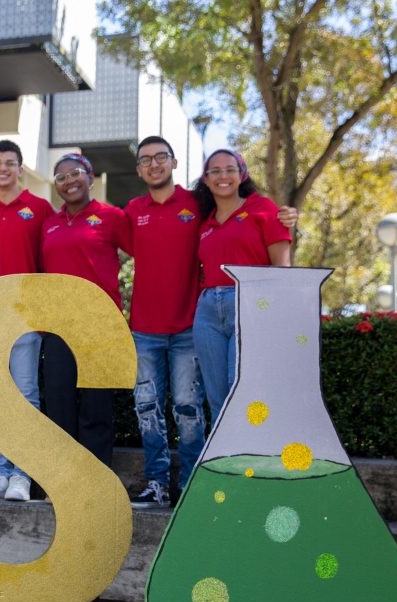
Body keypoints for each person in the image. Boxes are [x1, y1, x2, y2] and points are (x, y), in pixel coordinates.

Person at [124, 137, 297, 508]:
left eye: (161, 158)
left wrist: (286, 219)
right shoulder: (133, 210)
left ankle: (191, 483)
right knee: (147, 408)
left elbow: (263, 234)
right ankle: (156, 483)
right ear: (138, 169)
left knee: (191, 407)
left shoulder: (197, 205)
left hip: (190, 326)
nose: (154, 165)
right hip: (145, 328)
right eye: (145, 160)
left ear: (174, 162)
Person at [0, 140, 54, 502]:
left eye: (9, 163)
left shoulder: (39, 209)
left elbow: (46, 264)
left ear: (21, 169)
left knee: (25, 398)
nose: (2, 169)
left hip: (24, 321)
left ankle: (22, 476)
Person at [41, 153, 132, 472]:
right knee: (59, 406)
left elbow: (146, 252)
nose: (68, 181)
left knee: (96, 408)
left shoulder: (112, 217)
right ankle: (64, 480)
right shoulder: (49, 224)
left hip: (99, 326)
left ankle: (97, 481)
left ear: (91, 177)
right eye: (61, 177)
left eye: (75, 173)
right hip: (57, 328)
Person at [193, 148, 291, 419]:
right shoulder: (205, 223)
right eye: (215, 171)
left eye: (229, 169)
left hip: (250, 305)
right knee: (216, 397)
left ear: (242, 174)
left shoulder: (264, 209)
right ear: (205, 179)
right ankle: (223, 462)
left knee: (243, 389)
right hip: (208, 311)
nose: (222, 176)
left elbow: (282, 269)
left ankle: (251, 460)